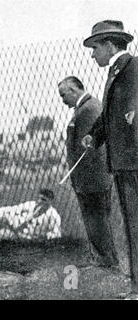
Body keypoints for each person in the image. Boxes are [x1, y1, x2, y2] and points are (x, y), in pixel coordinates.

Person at [81, 20, 138, 299]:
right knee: (132, 224)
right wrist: (95, 135)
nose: (93, 55)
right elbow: (110, 115)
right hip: (124, 161)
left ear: (109, 44)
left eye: (95, 48)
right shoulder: (118, 71)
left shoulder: (132, 67)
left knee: (135, 224)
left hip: (132, 161)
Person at [58, 76, 118, 269]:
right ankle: (102, 259)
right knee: (93, 220)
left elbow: (90, 150)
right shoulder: (83, 109)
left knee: (97, 221)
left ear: (74, 90)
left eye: (63, 94)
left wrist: (82, 178)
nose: (62, 99)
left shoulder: (89, 109)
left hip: (93, 179)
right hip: (87, 179)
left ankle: (108, 262)